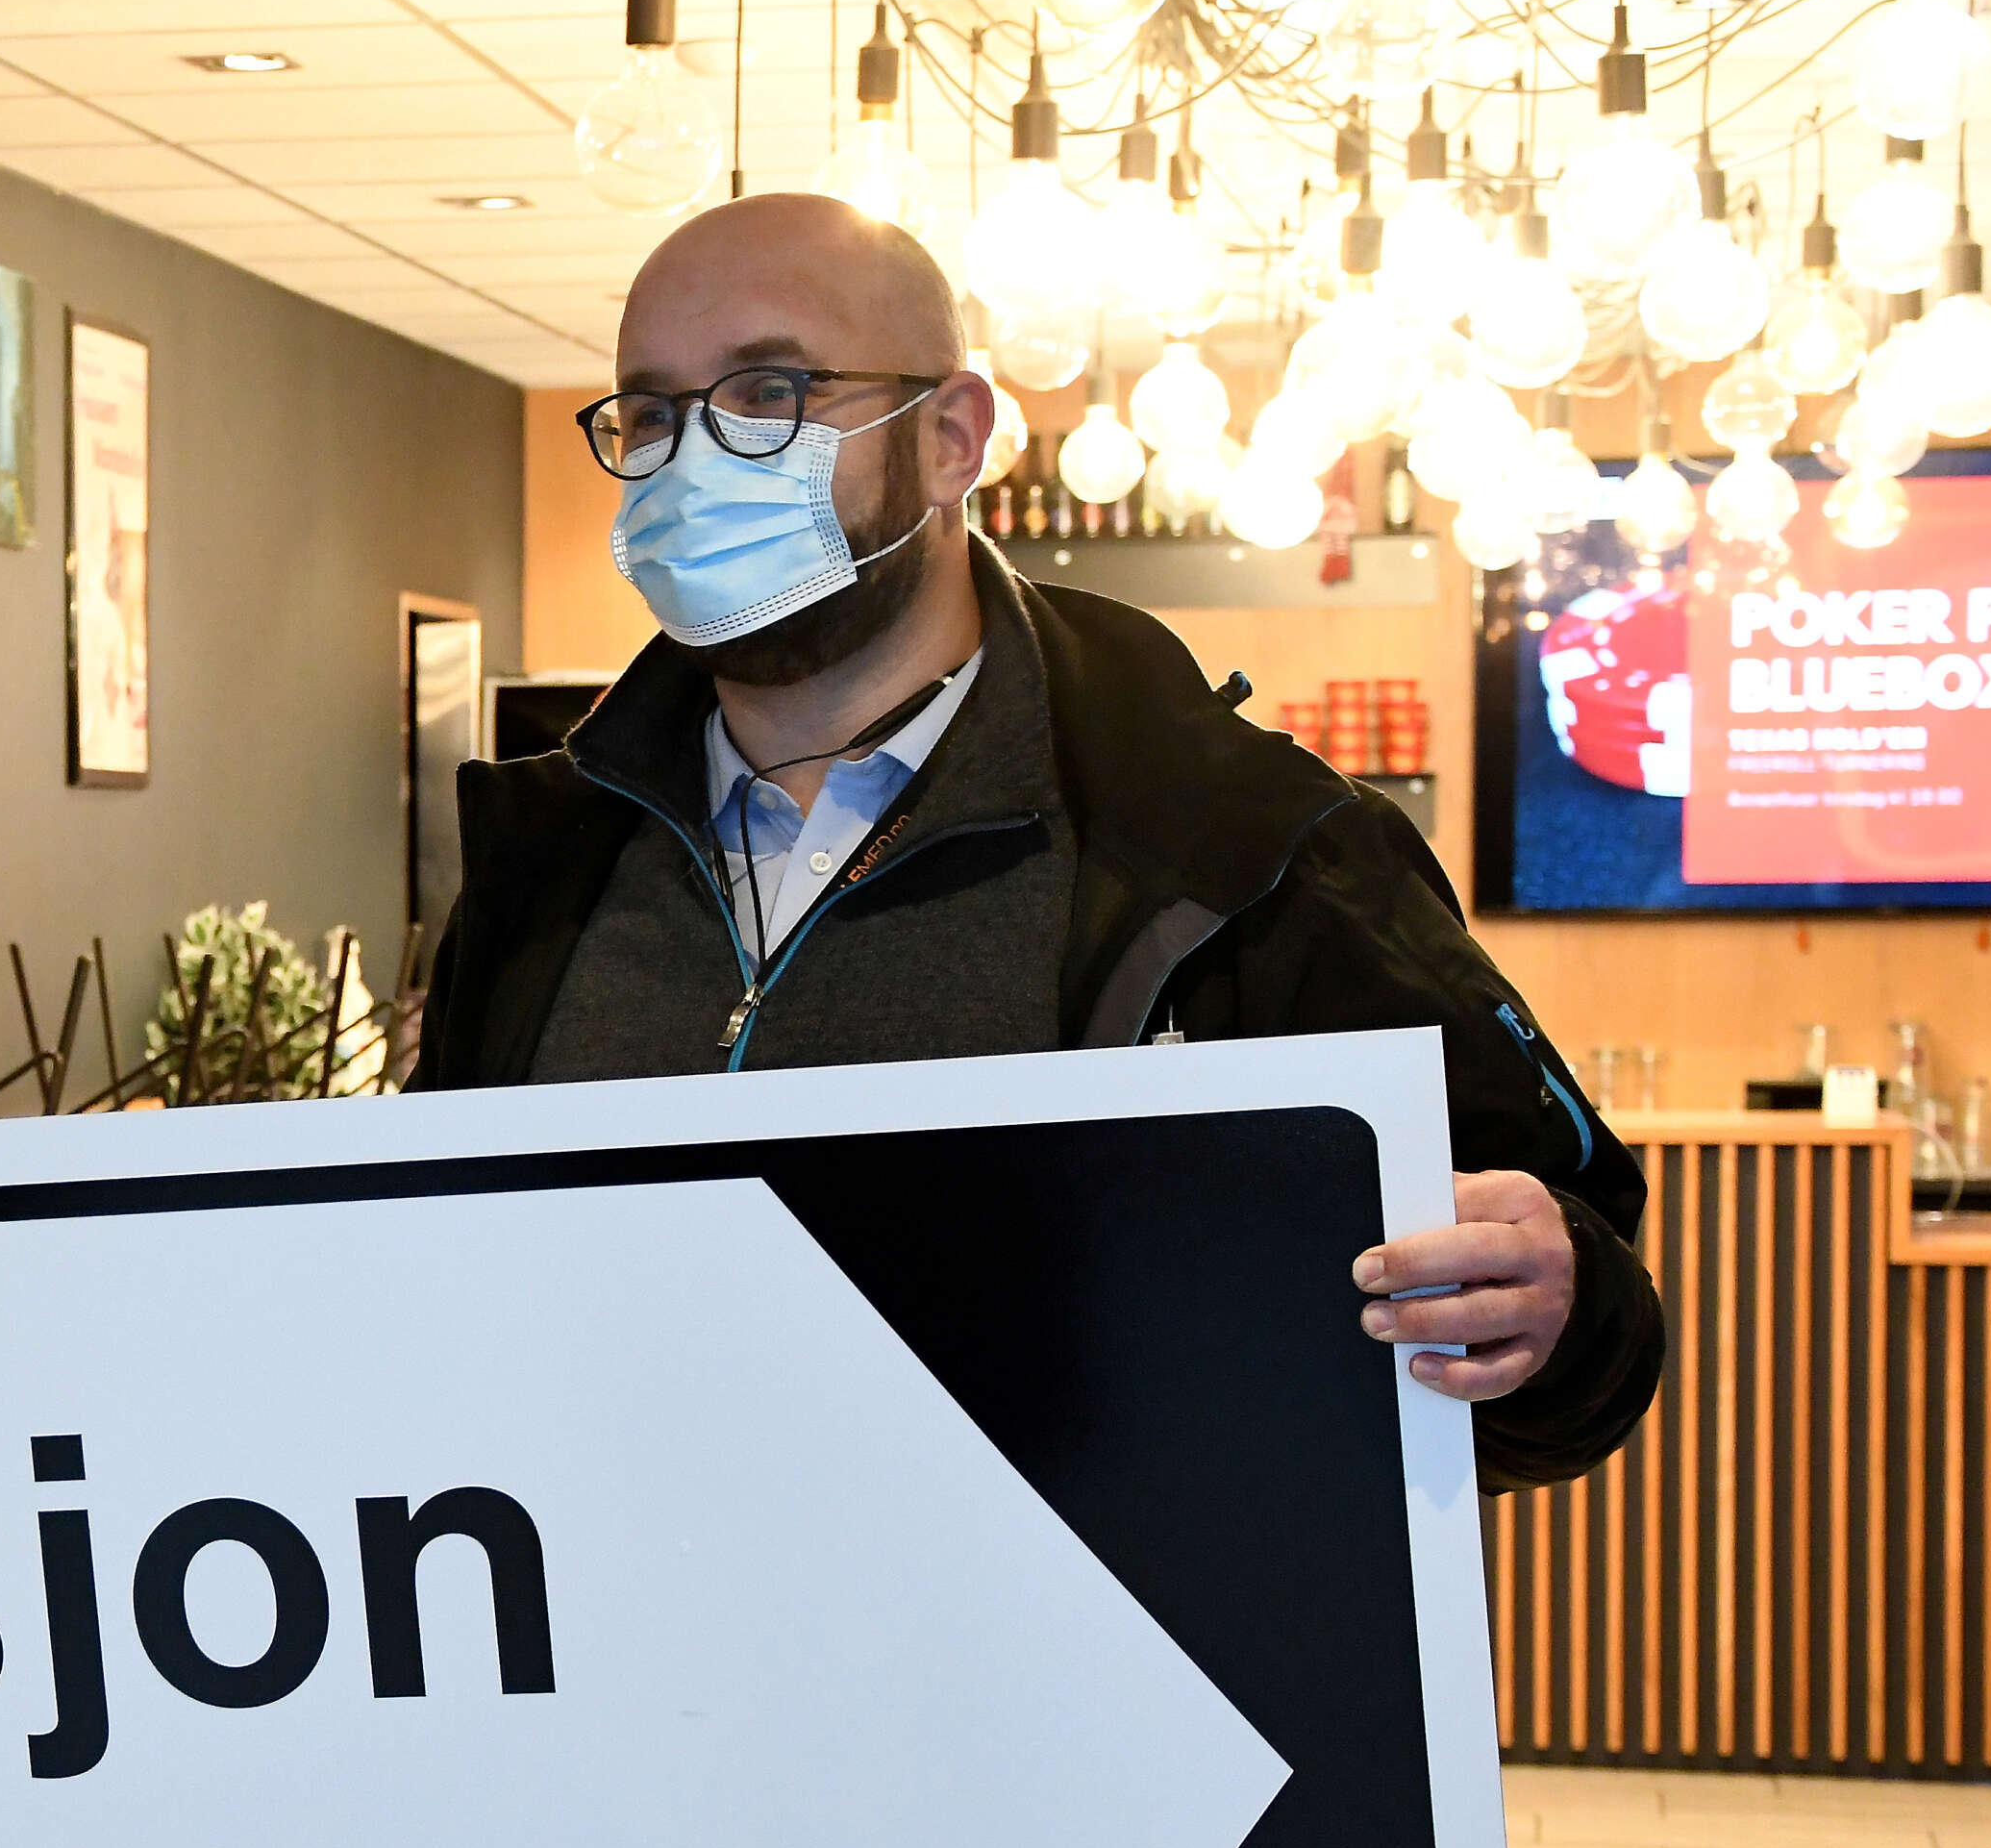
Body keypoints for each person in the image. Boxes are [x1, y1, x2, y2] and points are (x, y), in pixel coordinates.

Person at [415, 194, 1660, 1487]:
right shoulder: (544, 865)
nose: (693, 463)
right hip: (602, 1600)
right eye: (652, 415)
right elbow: (435, 1289)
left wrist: (1549, 1309)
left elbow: (1569, 1314)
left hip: (1102, 1606)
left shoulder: (1243, 845)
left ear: (951, 439)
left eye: (769, 393)